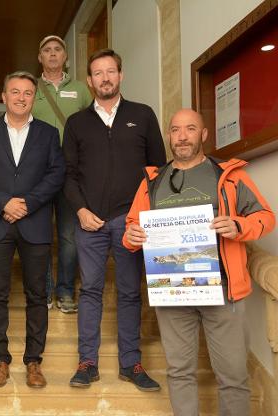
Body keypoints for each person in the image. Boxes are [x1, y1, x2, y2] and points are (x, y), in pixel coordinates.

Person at [123, 108, 275, 415]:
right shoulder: (152, 181)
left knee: (233, 377)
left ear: (203, 134)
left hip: (224, 291)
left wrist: (238, 226)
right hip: (173, 290)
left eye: (190, 129)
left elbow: (265, 217)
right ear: (168, 136)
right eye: (175, 130)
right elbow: (130, 229)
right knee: (179, 373)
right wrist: (132, 237)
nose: (181, 136)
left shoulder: (230, 176)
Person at [64, 48, 166, 390]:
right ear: (90, 80)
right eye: (97, 73)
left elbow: (158, 172)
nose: (104, 78)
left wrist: (141, 217)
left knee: (129, 293)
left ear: (120, 75)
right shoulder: (77, 123)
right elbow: (68, 174)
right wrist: (80, 210)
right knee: (90, 290)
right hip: (88, 221)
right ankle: (87, 362)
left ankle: (131, 364)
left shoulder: (143, 114)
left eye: (111, 71)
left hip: (131, 223)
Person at [0, 71, 65, 389]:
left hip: (36, 222)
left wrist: (27, 203)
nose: (21, 97)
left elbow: (57, 174)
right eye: (15, 91)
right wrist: (4, 203)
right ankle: (0, 360)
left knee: (37, 295)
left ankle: (34, 361)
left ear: (34, 98)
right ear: (4, 95)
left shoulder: (48, 133)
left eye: (27, 93)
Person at [32, 35, 92, 313]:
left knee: (69, 235)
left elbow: (93, 124)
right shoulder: (31, 89)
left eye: (58, 49)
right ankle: (43, 290)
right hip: (39, 172)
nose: (53, 54)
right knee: (40, 233)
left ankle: (66, 291)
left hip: (71, 171)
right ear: (40, 57)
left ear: (65, 56)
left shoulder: (80, 89)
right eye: (47, 50)